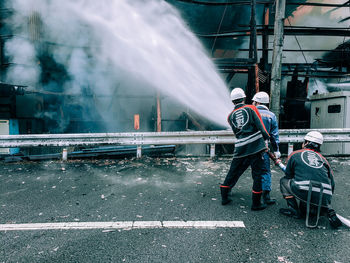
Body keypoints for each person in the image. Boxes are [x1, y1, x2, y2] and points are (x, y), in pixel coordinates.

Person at [220, 87, 270, 211]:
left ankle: (224, 197)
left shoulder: (230, 116)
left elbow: (237, 134)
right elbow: (262, 128)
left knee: (233, 171)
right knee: (257, 174)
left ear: (232, 101)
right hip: (255, 147)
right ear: (244, 98)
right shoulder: (251, 108)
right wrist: (267, 140)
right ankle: (256, 204)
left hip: (240, 148)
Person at [279, 131, 342, 228]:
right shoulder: (323, 159)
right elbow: (332, 183)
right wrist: (326, 199)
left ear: (306, 143)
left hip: (304, 190)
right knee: (318, 194)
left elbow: (288, 175)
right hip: (325, 194)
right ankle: (327, 209)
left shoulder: (295, 154)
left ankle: (294, 211)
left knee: (284, 181)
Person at [252, 91, 280, 205]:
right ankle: (266, 196)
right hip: (264, 148)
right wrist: (277, 150)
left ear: (258, 102)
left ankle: (227, 189)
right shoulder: (271, 116)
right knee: (265, 171)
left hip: (250, 147)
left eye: (254, 101)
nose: (253, 103)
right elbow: (274, 135)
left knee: (247, 170)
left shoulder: (251, 112)